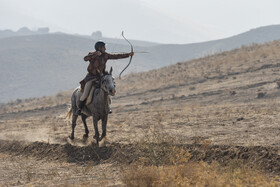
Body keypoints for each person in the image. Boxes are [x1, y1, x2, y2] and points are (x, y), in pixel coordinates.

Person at [76, 41, 134, 115]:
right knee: (85, 94)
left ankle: (107, 107)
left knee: (107, 89)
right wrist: (95, 54)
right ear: (99, 48)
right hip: (91, 77)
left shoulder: (105, 55)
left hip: (101, 77)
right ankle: (79, 109)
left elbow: (115, 56)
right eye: (104, 47)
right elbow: (85, 58)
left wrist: (128, 55)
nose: (105, 49)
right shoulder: (92, 54)